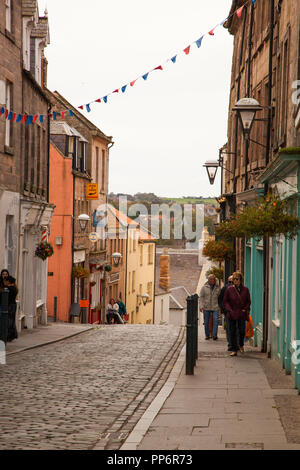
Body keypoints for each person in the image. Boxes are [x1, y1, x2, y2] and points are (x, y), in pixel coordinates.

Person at [223, 271, 251, 357]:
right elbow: (225, 301)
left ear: (240, 280)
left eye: (237, 279)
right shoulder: (229, 289)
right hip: (232, 313)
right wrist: (229, 309)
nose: (235, 281)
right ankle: (234, 349)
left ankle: (241, 344)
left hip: (241, 313)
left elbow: (248, 301)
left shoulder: (245, 290)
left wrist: (245, 309)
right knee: (232, 331)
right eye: (234, 279)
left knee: (242, 330)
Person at [199, 274, 221, 340]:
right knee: (206, 322)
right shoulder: (204, 287)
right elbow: (201, 297)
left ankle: (214, 335)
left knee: (216, 320)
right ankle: (207, 335)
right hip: (206, 307)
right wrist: (201, 306)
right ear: (208, 280)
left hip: (215, 307)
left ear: (215, 280)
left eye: (213, 279)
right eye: (210, 279)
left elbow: (220, 298)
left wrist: (220, 306)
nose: (212, 280)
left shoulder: (218, 288)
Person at [0, 270, 18, 342]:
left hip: (11, 305)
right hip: (3, 305)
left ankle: (10, 336)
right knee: (4, 321)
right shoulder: (1, 283)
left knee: (10, 321)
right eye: (3, 274)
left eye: (6, 274)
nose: (4, 275)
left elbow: (14, 292)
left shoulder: (12, 284)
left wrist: (7, 286)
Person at [218, 275, 233, 350]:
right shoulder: (225, 288)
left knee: (237, 329)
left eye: (232, 281)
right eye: (229, 282)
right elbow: (220, 299)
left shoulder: (240, 289)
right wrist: (224, 309)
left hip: (237, 312)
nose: (231, 283)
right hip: (228, 312)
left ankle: (236, 344)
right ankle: (230, 344)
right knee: (229, 328)